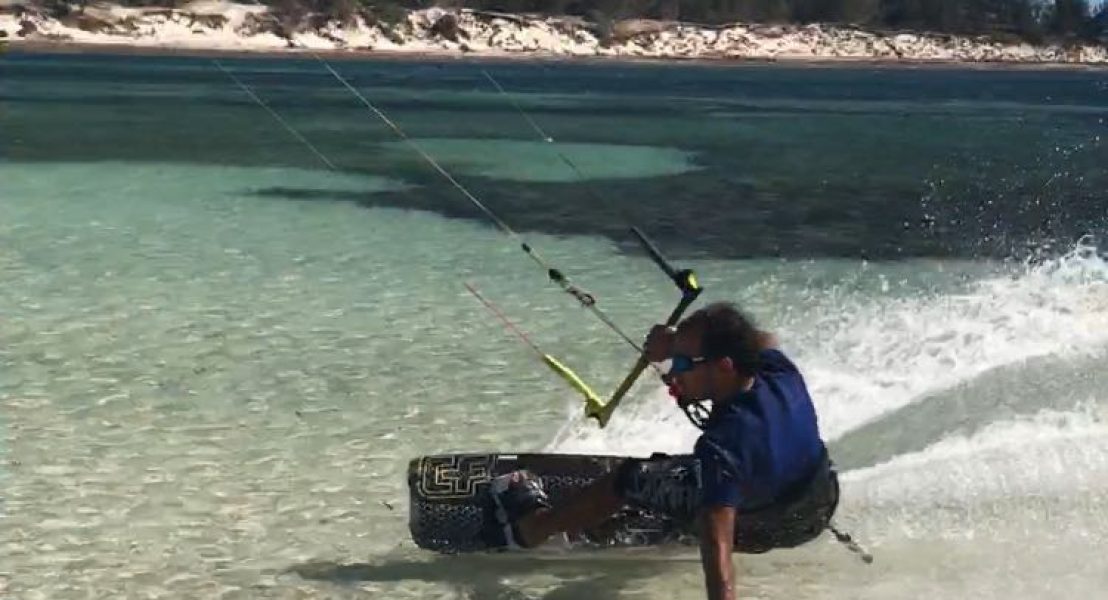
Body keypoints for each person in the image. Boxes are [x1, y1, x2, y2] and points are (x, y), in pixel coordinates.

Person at [486, 301, 841, 600]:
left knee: (632, 478)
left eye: (684, 364)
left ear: (724, 366)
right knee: (685, 474)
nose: (674, 373)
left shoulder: (724, 448)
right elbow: (761, 338)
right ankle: (674, 520)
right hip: (819, 507)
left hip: (768, 528)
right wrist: (674, 343)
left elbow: (719, 553)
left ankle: (534, 528)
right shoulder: (777, 370)